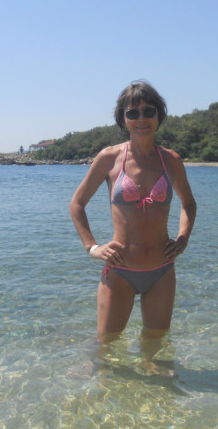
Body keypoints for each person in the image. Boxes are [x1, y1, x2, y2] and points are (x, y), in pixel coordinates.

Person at [70, 81, 197, 345]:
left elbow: (189, 204)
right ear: (123, 119)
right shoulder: (109, 158)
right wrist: (92, 248)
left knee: (156, 348)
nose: (141, 119)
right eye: (133, 113)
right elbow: (77, 204)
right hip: (120, 270)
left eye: (149, 111)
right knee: (105, 349)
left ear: (159, 115)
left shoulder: (171, 160)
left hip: (162, 270)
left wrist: (182, 239)